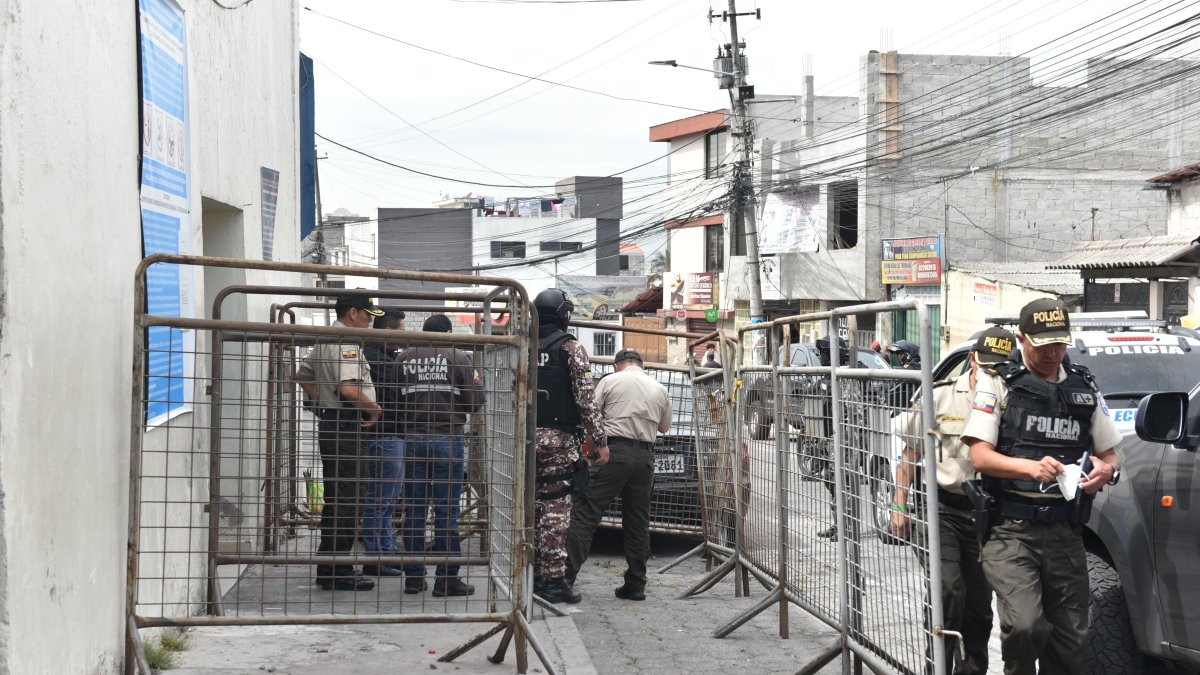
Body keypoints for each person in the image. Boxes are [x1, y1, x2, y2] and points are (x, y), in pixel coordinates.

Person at [962, 298, 1122, 675]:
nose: (1053, 353)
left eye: (1060, 344)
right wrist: (1030, 467)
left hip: (1066, 531)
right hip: (1011, 531)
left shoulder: (1084, 385)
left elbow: (1111, 455)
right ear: (1021, 339)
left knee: (1072, 639)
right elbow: (980, 456)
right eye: (1043, 345)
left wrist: (1107, 470)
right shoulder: (998, 381)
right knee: (1025, 626)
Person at [892, 326, 1016, 675]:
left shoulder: (1015, 401)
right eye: (987, 366)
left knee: (979, 608)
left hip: (988, 517)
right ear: (973, 360)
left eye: (1000, 368)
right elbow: (910, 454)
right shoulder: (941, 396)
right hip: (943, 510)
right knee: (948, 592)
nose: (992, 375)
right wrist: (899, 506)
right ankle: (937, 668)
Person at [565, 349, 671, 601]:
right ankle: (636, 584)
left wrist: (590, 450)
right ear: (642, 366)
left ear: (616, 365)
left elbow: (591, 416)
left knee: (586, 514)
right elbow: (664, 427)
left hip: (613, 452)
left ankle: (565, 578)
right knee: (638, 522)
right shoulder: (659, 388)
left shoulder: (610, 381)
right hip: (645, 457)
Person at [294, 294, 384, 591]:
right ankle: (339, 569)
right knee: (349, 499)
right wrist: (374, 409)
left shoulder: (324, 339)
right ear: (353, 312)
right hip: (347, 426)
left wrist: (323, 402)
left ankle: (330, 566)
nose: (369, 320)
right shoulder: (346, 343)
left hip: (333, 423)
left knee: (338, 498)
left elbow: (303, 375)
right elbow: (348, 389)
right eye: (367, 314)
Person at [397, 314, 484, 597]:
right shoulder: (458, 357)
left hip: (412, 439)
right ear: (448, 333)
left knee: (415, 509)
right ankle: (446, 579)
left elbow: (392, 399)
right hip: (447, 438)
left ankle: (413, 578)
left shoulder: (403, 358)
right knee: (447, 511)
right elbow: (475, 402)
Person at [532, 288, 608, 604]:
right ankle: (553, 581)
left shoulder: (521, 346)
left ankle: (532, 574)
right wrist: (599, 440)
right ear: (563, 314)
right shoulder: (570, 348)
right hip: (558, 441)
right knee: (555, 509)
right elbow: (586, 398)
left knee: (530, 507)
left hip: (523, 439)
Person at [359, 308, 406, 576]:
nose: (404, 335)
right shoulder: (378, 360)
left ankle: (384, 550)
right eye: (401, 330)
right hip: (384, 435)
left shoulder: (384, 358)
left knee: (386, 500)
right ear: (388, 331)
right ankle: (376, 555)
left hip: (388, 435)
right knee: (381, 499)